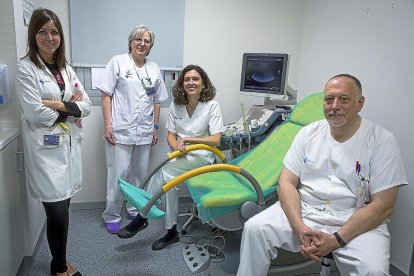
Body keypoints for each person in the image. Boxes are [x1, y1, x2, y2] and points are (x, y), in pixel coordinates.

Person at [237, 74, 408, 276]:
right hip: (306, 211)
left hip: (357, 220)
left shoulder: (382, 141)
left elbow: (384, 205)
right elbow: (286, 182)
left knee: (374, 270)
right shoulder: (308, 134)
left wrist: (337, 239)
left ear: (359, 103)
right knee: (254, 229)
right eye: (329, 99)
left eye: (344, 99)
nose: (334, 105)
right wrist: (299, 226)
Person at [15, 8, 91, 276]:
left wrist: (59, 105)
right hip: (45, 153)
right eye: (43, 31)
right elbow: (35, 113)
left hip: (67, 148)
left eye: (54, 32)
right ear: (33, 34)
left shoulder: (65, 69)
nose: (49, 37)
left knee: (64, 209)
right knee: (57, 214)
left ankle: (57, 261)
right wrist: (71, 110)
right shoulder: (25, 69)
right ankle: (59, 267)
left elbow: (88, 105)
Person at [117, 64, 224, 251]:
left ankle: (142, 216)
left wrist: (190, 140)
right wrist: (178, 147)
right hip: (182, 157)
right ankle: (171, 230)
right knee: (170, 184)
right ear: (182, 84)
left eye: (195, 79)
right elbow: (171, 137)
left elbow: (216, 139)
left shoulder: (212, 106)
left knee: (164, 171)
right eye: (187, 79)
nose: (191, 82)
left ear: (203, 83)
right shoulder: (176, 105)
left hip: (202, 157)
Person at [96, 25, 169, 234]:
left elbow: (157, 101)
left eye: (147, 41)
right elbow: (106, 95)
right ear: (131, 42)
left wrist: (155, 128)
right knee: (118, 174)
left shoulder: (154, 68)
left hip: (145, 131)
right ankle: (112, 215)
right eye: (139, 39)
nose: (142, 44)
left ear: (150, 46)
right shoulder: (117, 62)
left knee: (139, 174)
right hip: (120, 129)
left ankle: (133, 208)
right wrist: (108, 125)